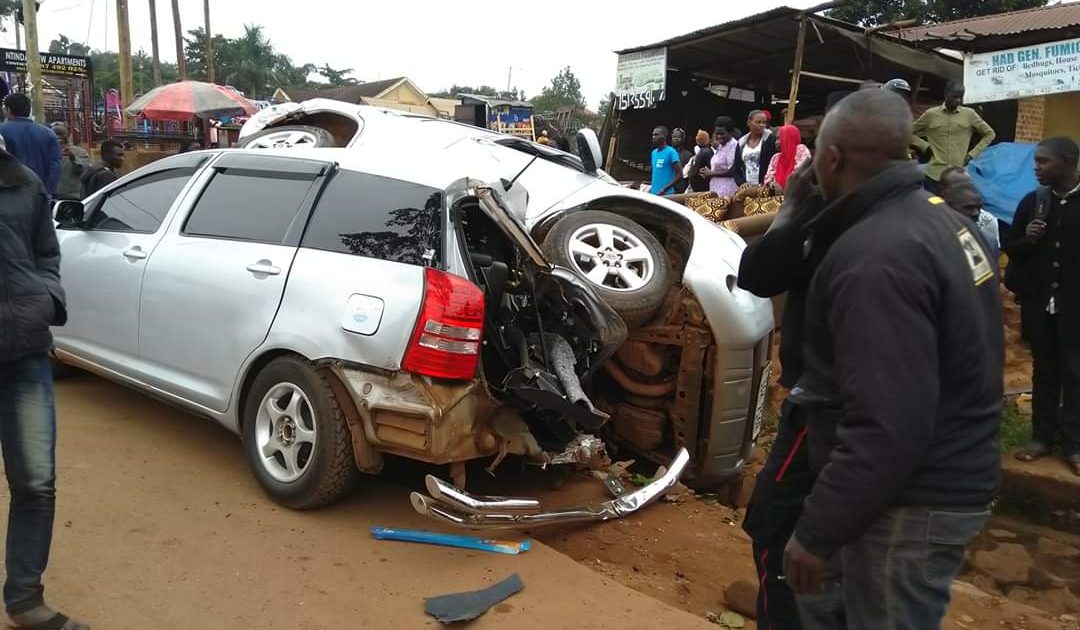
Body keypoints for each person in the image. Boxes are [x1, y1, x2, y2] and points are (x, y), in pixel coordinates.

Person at [783, 89, 1003, 629]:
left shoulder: (876, 257)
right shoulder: (941, 220)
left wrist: (817, 530)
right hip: (940, 476)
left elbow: (889, 422)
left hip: (906, 503)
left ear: (831, 157)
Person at [0, 135, 89, 630]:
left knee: (36, 483)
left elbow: (45, 254)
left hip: (25, 351)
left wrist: (45, 298)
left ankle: (25, 599)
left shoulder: (23, 182)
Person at [1003, 137, 1080, 476]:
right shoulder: (1033, 202)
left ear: (1068, 161)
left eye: (1043, 161)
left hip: (1075, 309)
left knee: (1075, 374)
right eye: (1036, 161)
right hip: (1040, 307)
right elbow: (1011, 247)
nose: (1036, 167)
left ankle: (1074, 445)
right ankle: (1041, 438)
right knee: (1044, 370)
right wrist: (1028, 239)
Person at [912, 81, 996, 194]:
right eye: (954, 97)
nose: (958, 101)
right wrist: (924, 146)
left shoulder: (969, 115)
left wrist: (972, 154)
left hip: (957, 176)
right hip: (934, 175)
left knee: (954, 204)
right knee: (932, 204)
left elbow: (990, 134)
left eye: (960, 97)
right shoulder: (930, 115)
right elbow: (907, 132)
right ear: (945, 95)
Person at [0, 94, 61, 200]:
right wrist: (48, 192)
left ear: (8, 109)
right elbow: (55, 164)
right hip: (40, 193)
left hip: (9, 194)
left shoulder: (2, 131)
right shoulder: (48, 133)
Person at [943, 182, 999, 262]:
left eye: (978, 208)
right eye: (969, 208)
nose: (976, 213)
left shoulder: (988, 240)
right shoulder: (934, 239)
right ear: (949, 206)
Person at [733, 110, 776, 188]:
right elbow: (736, 168)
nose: (762, 125)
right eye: (758, 122)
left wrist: (768, 182)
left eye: (764, 122)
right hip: (747, 188)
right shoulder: (741, 143)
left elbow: (775, 163)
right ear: (749, 122)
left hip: (765, 187)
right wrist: (741, 183)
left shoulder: (770, 139)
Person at [764, 124, 811, 194]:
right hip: (779, 196)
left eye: (779, 138)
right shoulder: (775, 158)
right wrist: (773, 184)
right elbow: (767, 178)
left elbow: (800, 174)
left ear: (788, 138)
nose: (776, 142)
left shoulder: (801, 150)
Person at [50, 124, 90, 201]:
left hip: (73, 196)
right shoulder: (47, 152)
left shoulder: (79, 152)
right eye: (56, 137)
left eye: (61, 137)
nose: (59, 141)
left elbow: (84, 170)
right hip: (52, 196)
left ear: (66, 137)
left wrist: (72, 157)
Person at [700, 117, 738, 198]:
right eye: (716, 133)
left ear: (731, 133)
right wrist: (707, 172)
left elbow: (733, 171)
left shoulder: (733, 146)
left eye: (722, 134)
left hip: (727, 189)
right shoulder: (720, 146)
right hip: (716, 188)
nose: (719, 136)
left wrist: (712, 173)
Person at [648, 126, 681, 196]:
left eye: (656, 135)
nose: (653, 137)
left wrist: (664, 189)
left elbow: (679, 175)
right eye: (653, 135)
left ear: (664, 136)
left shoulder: (671, 152)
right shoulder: (653, 153)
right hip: (654, 193)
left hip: (666, 194)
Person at [670, 128, 693, 193]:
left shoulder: (688, 155)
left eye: (678, 137)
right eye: (674, 136)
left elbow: (688, 174)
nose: (676, 138)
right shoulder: (666, 152)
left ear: (683, 139)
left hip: (680, 189)